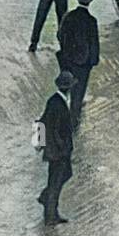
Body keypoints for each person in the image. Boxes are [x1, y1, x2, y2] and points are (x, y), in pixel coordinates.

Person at [57, 0, 100, 127]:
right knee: (78, 95)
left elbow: (60, 35)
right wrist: (93, 62)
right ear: (89, 2)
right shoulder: (91, 21)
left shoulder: (68, 16)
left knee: (66, 88)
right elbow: (94, 44)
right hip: (83, 64)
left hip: (67, 60)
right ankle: (73, 123)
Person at [37, 71, 75, 226]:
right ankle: (50, 215)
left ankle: (47, 199)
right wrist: (61, 148)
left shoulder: (56, 100)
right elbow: (52, 128)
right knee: (55, 181)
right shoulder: (57, 103)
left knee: (65, 174)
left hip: (56, 151)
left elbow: (43, 121)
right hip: (58, 152)